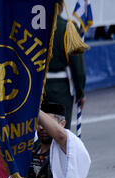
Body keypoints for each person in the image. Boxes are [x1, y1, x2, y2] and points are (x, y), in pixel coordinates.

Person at [45, 0, 86, 130]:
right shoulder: (68, 27)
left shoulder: (35, 28)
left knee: (40, 132)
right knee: (60, 132)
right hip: (61, 89)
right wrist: (80, 91)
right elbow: (78, 66)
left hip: (38, 87)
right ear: (61, 5)